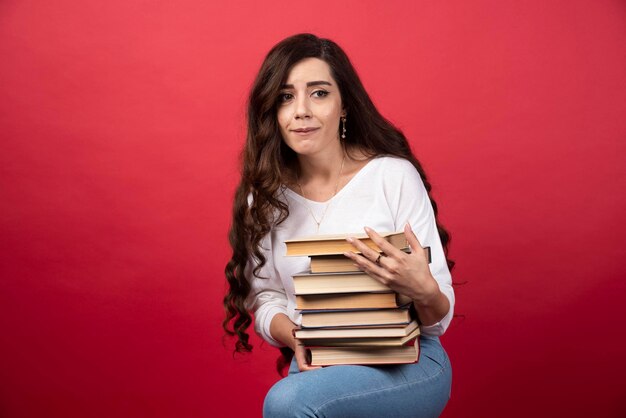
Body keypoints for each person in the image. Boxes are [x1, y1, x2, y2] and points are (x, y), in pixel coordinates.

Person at [224, 33, 455, 418]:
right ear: (272, 111)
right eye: (285, 96)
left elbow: (437, 322)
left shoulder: (392, 177)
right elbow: (265, 298)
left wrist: (422, 289)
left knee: (286, 402)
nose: (301, 110)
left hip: (408, 364)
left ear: (344, 105)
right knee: (295, 398)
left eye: (318, 93)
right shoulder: (263, 196)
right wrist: (293, 336)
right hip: (320, 362)